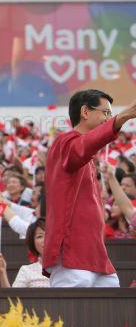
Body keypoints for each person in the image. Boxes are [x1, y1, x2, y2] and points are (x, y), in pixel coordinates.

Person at [45, 89, 136, 287]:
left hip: (96, 253)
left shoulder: (88, 156)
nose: (108, 118)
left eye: (110, 115)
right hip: (72, 251)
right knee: (70, 315)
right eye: (106, 113)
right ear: (85, 112)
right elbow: (83, 146)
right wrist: (125, 115)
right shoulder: (65, 142)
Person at [0, 218, 50, 288]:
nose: (45, 240)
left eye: (49, 234)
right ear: (33, 243)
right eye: (39, 236)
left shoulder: (65, 268)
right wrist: (2, 273)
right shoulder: (26, 271)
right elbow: (13, 297)